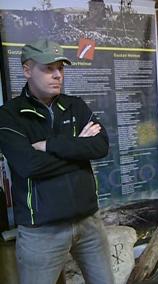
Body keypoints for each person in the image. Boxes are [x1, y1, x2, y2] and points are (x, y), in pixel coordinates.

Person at [0, 40, 113, 284]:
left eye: (60, 68)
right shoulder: (9, 115)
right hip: (41, 231)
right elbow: (29, 165)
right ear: (27, 70)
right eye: (48, 68)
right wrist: (79, 149)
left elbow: (101, 146)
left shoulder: (76, 106)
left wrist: (50, 145)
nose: (57, 75)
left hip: (88, 222)